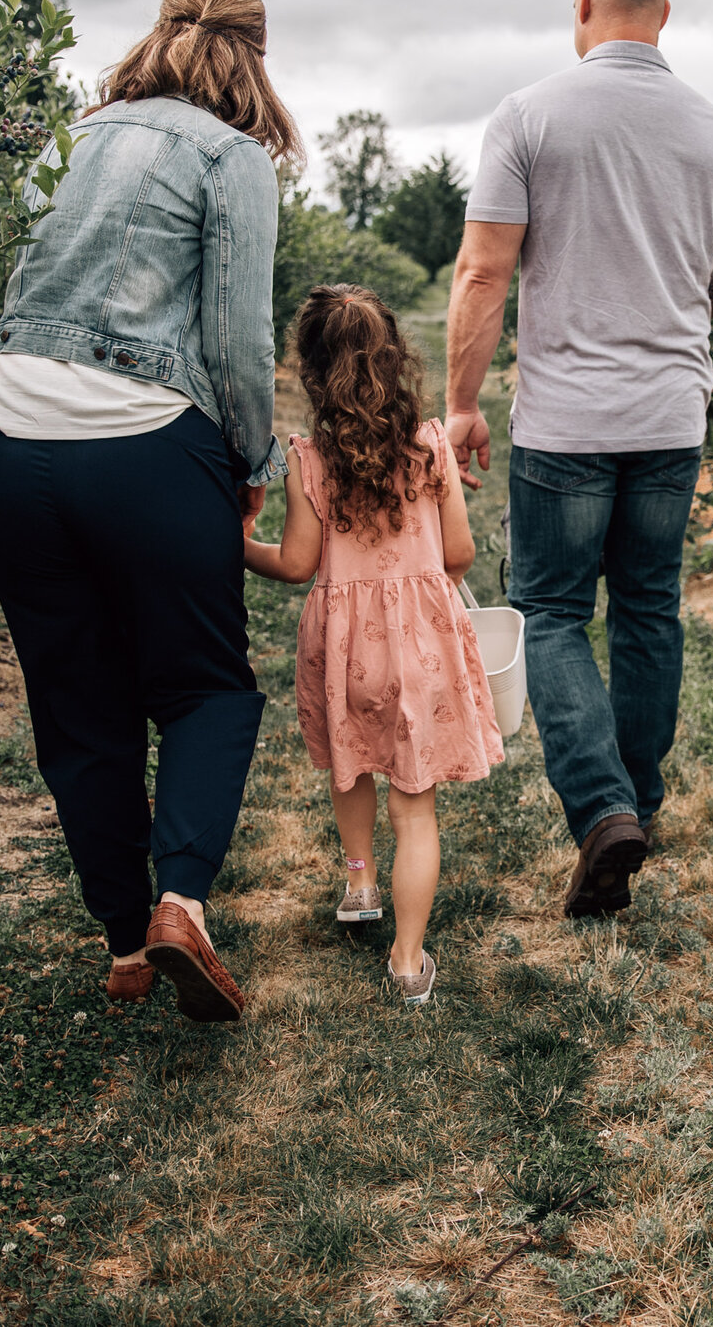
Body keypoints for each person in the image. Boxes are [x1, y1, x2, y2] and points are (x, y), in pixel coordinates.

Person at [0, 0, 291, 1022]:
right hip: (145, 437)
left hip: (9, 430)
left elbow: (21, 283)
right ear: (251, 53)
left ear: (159, 35)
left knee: (77, 699)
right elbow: (238, 341)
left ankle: (120, 940)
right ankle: (179, 905)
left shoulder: (78, 131)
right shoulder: (230, 156)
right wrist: (251, 464)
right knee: (205, 686)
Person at [442, 0, 713, 918]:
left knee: (549, 610)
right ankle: (635, 801)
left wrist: (462, 406)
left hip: (564, 420)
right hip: (669, 416)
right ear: (664, 15)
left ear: (583, 0)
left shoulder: (528, 117)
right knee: (646, 607)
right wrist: (675, 291)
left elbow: (481, 272)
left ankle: (601, 809)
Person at [245, 284, 502, 1002]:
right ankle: (408, 963)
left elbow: (297, 564)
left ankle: (359, 881)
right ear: (395, 361)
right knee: (414, 808)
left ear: (312, 373)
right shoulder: (428, 449)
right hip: (419, 651)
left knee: (352, 763)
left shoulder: (308, 460)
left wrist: (241, 547)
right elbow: (459, 555)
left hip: (346, 651)